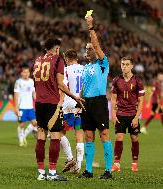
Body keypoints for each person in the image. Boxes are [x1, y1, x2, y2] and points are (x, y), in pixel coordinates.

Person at [33, 37, 84, 181]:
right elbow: (61, 85)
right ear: (56, 48)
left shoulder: (37, 61)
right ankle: (53, 173)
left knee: (41, 135)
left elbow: (36, 83)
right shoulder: (57, 60)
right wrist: (75, 97)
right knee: (56, 136)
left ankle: (41, 173)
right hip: (52, 103)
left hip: (39, 102)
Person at [78, 15, 113, 179]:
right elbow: (83, 86)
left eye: (89, 49)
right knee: (88, 136)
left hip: (99, 102)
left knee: (104, 135)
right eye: (86, 49)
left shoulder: (102, 63)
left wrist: (90, 27)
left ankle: (108, 170)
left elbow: (97, 44)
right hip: (87, 103)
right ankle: (89, 171)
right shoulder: (85, 68)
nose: (87, 51)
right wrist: (79, 99)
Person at [110, 57, 145, 172]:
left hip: (132, 114)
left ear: (131, 66)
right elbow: (113, 99)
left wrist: (136, 117)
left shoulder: (138, 81)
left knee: (134, 138)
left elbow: (141, 101)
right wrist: (113, 115)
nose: (124, 66)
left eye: (126, 64)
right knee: (119, 137)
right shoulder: (116, 80)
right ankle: (116, 164)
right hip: (120, 113)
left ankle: (134, 163)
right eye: (122, 64)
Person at [60, 49, 84, 174]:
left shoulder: (66, 70)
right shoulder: (84, 69)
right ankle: (78, 167)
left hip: (68, 105)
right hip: (81, 105)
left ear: (67, 59)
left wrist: (59, 104)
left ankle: (70, 158)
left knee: (58, 133)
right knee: (79, 135)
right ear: (76, 58)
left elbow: (62, 88)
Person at [14, 64, 37, 147]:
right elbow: (16, 95)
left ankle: (24, 136)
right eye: (24, 72)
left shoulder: (31, 81)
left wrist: (37, 101)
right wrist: (16, 107)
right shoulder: (18, 82)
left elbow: (34, 93)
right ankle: (21, 141)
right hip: (21, 107)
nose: (26, 74)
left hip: (30, 107)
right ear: (21, 73)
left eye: (27, 72)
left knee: (35, 123)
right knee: (21, 124)